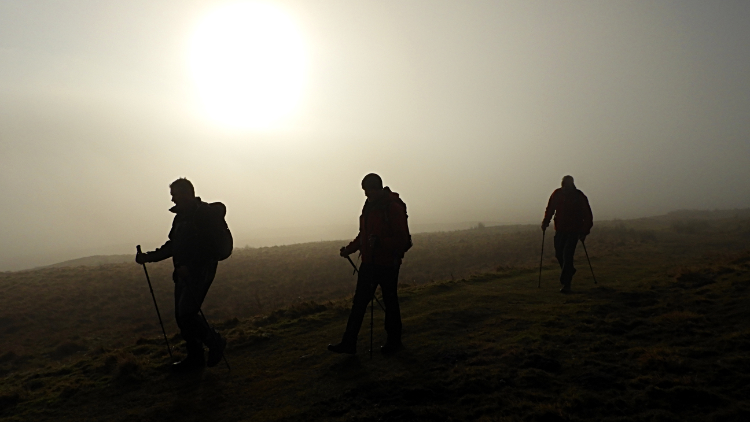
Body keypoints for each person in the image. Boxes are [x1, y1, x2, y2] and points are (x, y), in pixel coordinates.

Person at [136, 178, 227, 370]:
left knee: (187, 314)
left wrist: (190, 265)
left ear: (186, 193)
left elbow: (208, 247)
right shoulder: (182, 217)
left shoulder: (203, 215)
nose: (172, 200)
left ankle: (214, 343)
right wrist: (149, 257)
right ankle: (195, 359)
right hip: (184, 272)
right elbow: (174, 245)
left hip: (200, 271)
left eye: (174, 195)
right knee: (182, 316)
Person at [329, 173, 411, 355]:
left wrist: (381, 242)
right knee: (360, 303)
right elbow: (364, 235)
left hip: (388, 263)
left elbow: (402, 240)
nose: (366, 195)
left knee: (389, 302)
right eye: (365, 191)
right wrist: (349, 250)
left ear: (377, 188)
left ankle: (394, 342)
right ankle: (348, 343)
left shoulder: (392, 207)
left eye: (368, 190)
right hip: (369, 263)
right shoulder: (370, 206)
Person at [541, 175, 593, 293]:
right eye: (564, 183)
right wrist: (545, 222)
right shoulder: (557, 194)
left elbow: (587, 214)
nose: (565, 186)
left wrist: (584, 231)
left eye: (567, 184)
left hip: (574, 230)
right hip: (560, 230)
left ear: (572, 184)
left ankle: (566, 284)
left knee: (567, 255)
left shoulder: (579, 196)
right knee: (559, 254)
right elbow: (550, 208)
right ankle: (570, 270)